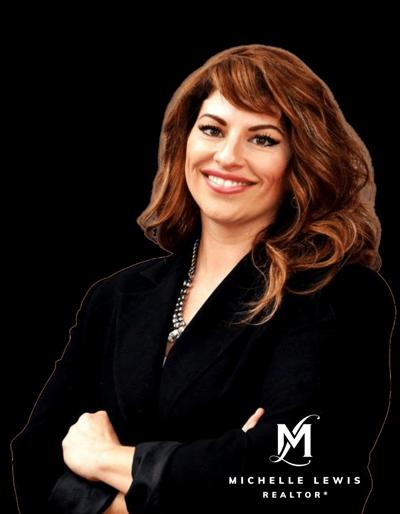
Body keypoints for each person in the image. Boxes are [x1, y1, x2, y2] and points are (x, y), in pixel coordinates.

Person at [12, 44, 394, 513]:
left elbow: (303, 473)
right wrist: (220, 466)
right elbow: (34, 462)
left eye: (263, 139)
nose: (227, 156)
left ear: (300, 160)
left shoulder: (337, 295)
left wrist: (103, 459)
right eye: (212, 130)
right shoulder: (114, 298)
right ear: (184, 143)